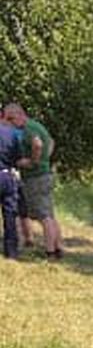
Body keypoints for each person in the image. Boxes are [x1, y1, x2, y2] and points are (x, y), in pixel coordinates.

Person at [3, 101, 63, 258]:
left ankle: (50, 251)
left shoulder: (28, 129)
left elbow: (38, 144)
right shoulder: (36, 125)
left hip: (36, 177)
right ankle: (58, 248)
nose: (9, 123)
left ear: (19, 114)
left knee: (44, 216)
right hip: (45, 173)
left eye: (10, 119)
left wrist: (33, 161)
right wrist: (45, 160)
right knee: (50, 214)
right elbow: (51, 142)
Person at [0, 109, 20, 258]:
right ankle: (11, 251)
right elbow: (18, 156)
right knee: (10, 214)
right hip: (7, 174)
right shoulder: (13, 133)